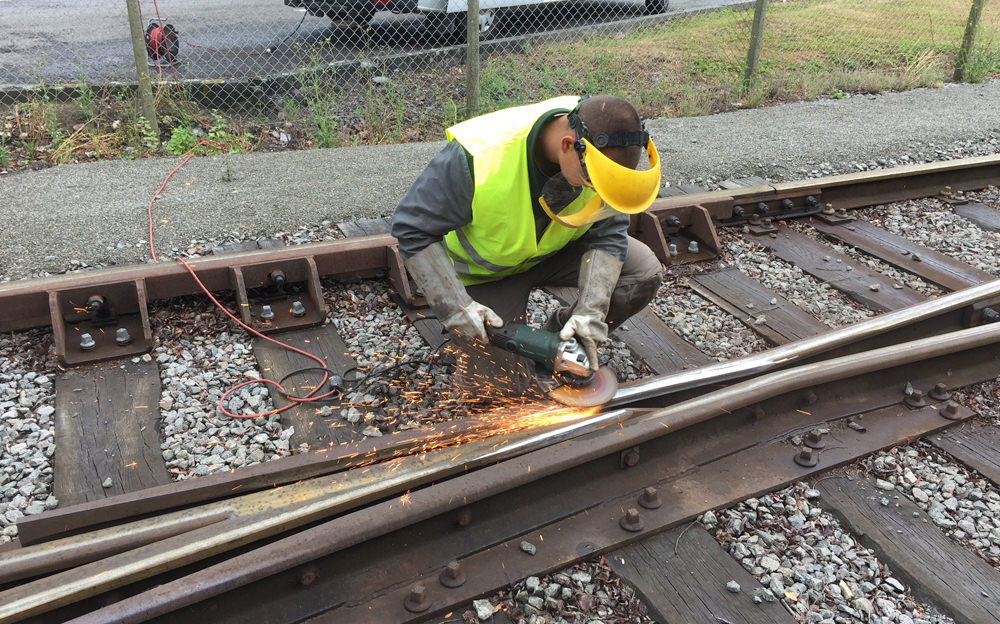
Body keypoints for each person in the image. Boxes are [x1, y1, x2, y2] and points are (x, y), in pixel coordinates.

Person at [390, 95, 664, 394]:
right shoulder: (479, 156)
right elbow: (412, 228)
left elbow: (609, 232)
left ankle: (561, 337)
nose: (595, 190)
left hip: (553, 252)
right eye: (591, 180)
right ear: (567, 145)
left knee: (643, 273)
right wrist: (456, 306)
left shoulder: (602, 140)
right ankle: (498, 346)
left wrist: (591, 310)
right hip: (487, 275)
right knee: (498, 389)